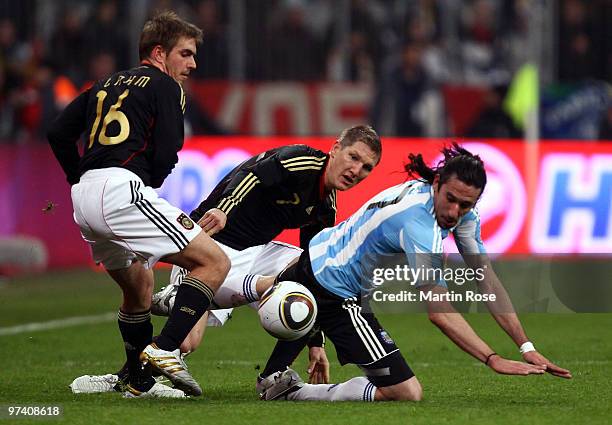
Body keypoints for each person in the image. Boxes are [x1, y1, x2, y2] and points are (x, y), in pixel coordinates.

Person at [69, 125, 382, 393]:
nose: (356, 170)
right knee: (186, 343)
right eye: (354, 157)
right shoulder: (301, 161)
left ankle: (272, 377)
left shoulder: (326, 206)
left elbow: (314, 270)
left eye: (367, 167)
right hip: (209, 249)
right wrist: (224, 208)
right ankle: (125, 375)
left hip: (255, 253)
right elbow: (251, 174)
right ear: (336, 148)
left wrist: (316, 343)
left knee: (315, 272)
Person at [257, 144, 572, 402]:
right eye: (450, 199)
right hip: (334, 287)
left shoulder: (454, 209)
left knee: (278, 359)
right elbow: (440, 313)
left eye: (465, 204)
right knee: (407, 392)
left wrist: (525, 346)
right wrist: (492, 358)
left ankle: (272, 376)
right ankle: (296, 392)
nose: (454, 212)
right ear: (437, 184)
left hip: (319, 256)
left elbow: (485, 277)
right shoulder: (419, 224)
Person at [47, 11, 231, 398]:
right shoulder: (166, 86)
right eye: (186, 53)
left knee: (139, 286)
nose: (192, 64)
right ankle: (164, 351)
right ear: (159, 52)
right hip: (122, 191)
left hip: (84, 198)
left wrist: (76, 177)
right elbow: (168, 151)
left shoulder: (104, 83)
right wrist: (143, 188)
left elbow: (59, 132)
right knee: (214, 262)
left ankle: (135, 379)